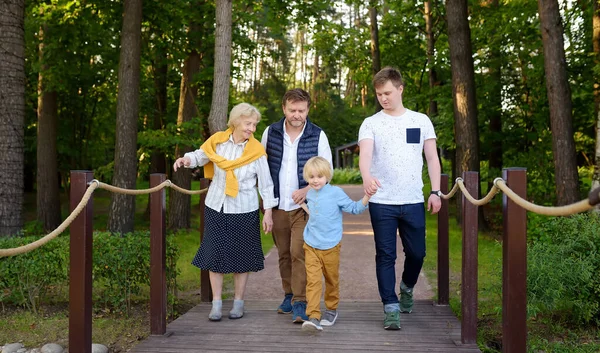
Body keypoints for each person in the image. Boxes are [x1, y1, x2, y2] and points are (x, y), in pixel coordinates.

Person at [173, 102, 278, 322]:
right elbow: (201, 155)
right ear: (237, 120)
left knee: (242, 258)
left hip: (245, 209)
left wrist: (268, 212)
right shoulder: (218, 141)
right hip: (216, 205)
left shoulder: (257, 151)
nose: (252, 128)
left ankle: (239, 303)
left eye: (255, 125)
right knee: (214, 255)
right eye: (248, 123)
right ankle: (217, 304)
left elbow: (266, 185)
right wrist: (186, 159)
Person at [358, 67, 442, 330]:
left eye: (388, 93)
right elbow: (365, 157)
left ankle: (407, 286)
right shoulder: (371, 123)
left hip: (413, 199)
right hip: (382, 201)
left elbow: (431, 158)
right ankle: (390, 306)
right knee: (385, 255)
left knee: (417, 253)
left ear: (400, 89)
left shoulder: (420, 120)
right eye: (379, 94)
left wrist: (436, 191)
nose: (383, 98)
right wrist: (366, 179)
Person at [261, 88, 333, 323]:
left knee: (298, 253)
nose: (296, 115)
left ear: (308, 110)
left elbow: (327, 172)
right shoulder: (269, 133)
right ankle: (289, 295)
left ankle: (301, 301)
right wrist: (267, 208)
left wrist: (307, 190)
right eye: (292, 110)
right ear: (284, 108)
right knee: (283, 254)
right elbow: (261, 170)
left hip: (306, 208)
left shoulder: (318, 135)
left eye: (301, 110)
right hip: (278, 205)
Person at [299, 156, 374, 332]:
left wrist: (367, 196)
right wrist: (302, 204)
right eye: (311, 177)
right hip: (310, 244)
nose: (315, 180)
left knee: (331, 279)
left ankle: (331, 310)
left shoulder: (336, 193)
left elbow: (355, 209)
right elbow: (314, 213)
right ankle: (314, 316)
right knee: (313, 281)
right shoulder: (309, 193)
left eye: (319, 176)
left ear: (327, 176)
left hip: (331, 245)